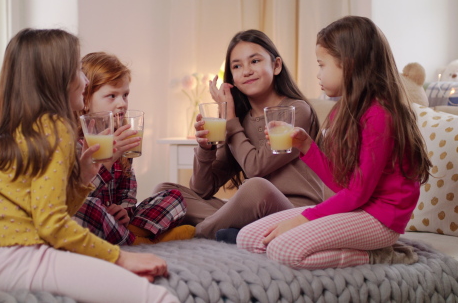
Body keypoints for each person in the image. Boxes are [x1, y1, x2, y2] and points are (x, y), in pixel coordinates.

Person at [0, 29, 178, 303]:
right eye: (78, 70)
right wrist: (120, 258)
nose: (85, 80)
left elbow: (47, 208)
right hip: (15, 256)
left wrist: (82, 179)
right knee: (156, 297)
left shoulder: (20, 128)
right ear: (57, 80)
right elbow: (53, 223)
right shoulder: (56, 126)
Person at [237, 16, 432, 269]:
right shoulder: (344, 111)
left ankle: (382, 254)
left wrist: (305, 219)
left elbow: (357, 193)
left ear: (348, 64)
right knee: (248, 238)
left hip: (381, 218)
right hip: (357, 208)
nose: (318, 74)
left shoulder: (381, 115)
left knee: (284, 249)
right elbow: (343, 185)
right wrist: (306, 145)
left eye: (321, 65)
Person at [154, 29, 324, 240]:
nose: (246, 71)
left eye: (254, 61)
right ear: (232, 77)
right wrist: (205, 148)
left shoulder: (296, 111)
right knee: (166, 192)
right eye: (237, 66)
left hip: (295, 212)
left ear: (276, 65)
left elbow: (255, 168)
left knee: (256, 187)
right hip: (254, 210)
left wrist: (230, 119)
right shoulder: (239, 122)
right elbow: (201, 189)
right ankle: (239, 230)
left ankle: (199, 232)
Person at [74, 51, 195, 245]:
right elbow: (76, 199)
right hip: (93, 219)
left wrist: (125, 211)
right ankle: (138, 241)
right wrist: (105, 164)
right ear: (86, 100)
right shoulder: (77, 145)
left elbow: (128, 192)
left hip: (118, 223)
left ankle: (134, 234)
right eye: (111, 96)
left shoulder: (122, 139)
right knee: (88, 207)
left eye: (125, 95)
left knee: (174, 196)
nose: (122, 103)